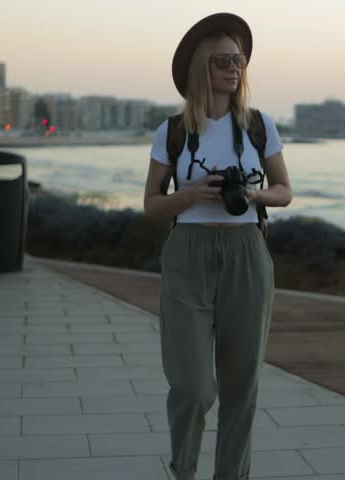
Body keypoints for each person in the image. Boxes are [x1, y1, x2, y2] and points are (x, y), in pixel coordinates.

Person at [142, 12, 292, 480]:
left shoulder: (259, 126)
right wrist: (189, 196)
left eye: (240, 60)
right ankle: (182, 469)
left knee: (241, 385)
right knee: (192, 387)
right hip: (188, 253)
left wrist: (253, 194)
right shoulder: (172, 132)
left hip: (247, 252)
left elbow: (285, 190)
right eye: (224, 59)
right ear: (202, 66)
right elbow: (151, 205)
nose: (235, 68)